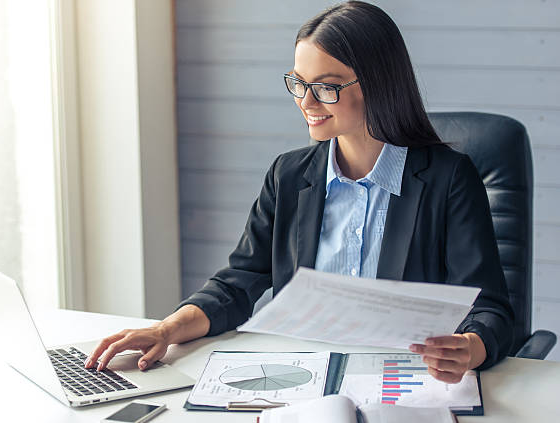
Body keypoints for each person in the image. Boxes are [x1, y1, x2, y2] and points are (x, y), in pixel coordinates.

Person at [85, 1, 514, 384]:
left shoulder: (448, 179)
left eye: (326, 87)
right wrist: (165, 329)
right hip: (302, 381)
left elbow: (489, 309)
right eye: (297, 82)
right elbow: (238, 285)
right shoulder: (289, 176)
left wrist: (468, 349)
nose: (306, 102)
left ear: (377, 83)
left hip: (405, 383)